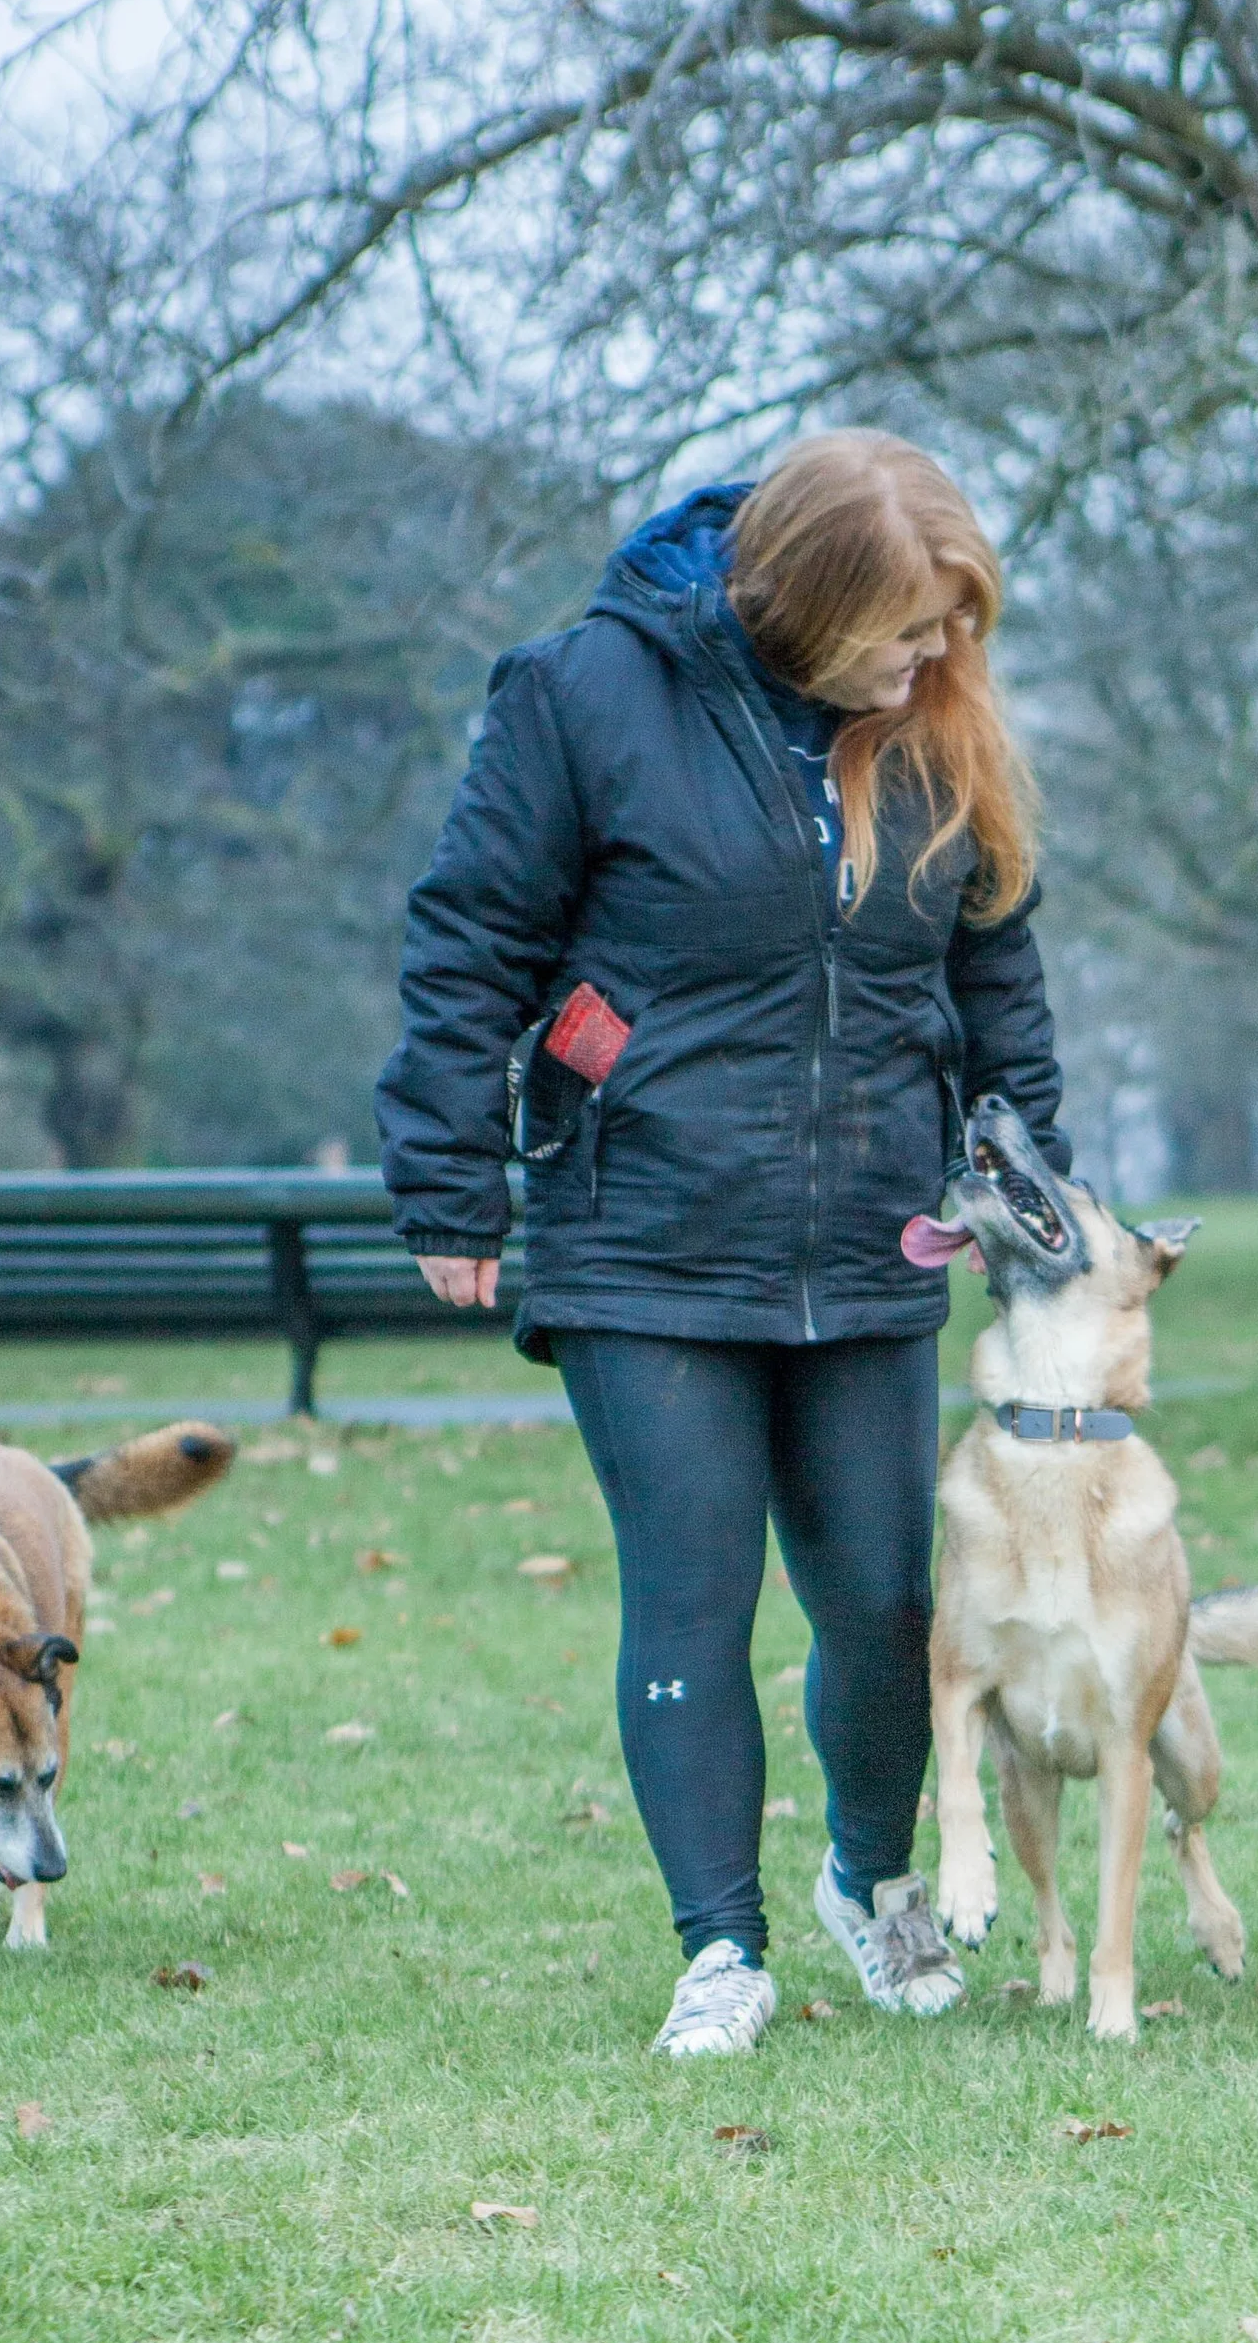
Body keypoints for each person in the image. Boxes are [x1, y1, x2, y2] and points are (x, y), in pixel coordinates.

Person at [376, 433, 1072, 2057]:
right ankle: (722, 1950)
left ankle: (870, 1881)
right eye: (904, 628)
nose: (933, 658)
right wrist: (449, 1182)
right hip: (645, 1229)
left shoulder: (934, 726)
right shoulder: (582, 696)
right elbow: (468, 937)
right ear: (808, 604)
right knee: (693, 1597)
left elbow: (996, 976)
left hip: (871, 1229)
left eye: (951, 626)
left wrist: (1029, 1182)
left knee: (889, 1605)